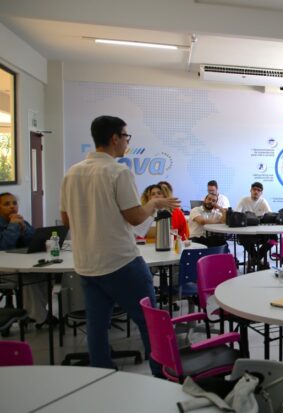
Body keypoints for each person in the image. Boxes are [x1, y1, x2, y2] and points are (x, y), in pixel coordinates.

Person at [60, 115, 179, 376]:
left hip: (87, 265)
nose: (127, 142)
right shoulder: (118, 171)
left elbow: (66, 219)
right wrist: (154, 203)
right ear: (115, 138)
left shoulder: (72, 172)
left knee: (97, 326)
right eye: (126, 136)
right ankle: (163, 376)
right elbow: (135, 217)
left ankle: (101, 374)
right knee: (150, 321)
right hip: (121, 262)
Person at [0, 192, 51, 327]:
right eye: (6, 204)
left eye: (14, 203)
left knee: (47, 274)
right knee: (29, 279)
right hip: (4, 269)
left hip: (20, 264)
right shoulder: (11, 223)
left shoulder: (20, 221)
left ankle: (36, 312)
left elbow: (34, 242)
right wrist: (13, 227)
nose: (12, 206)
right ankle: (40, 316)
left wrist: (24, 230)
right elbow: (4, 246)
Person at [236, 182, 273, 270]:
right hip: (247, 232)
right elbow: (236, 213)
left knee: (274, 239)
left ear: (261, 193)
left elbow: (270, 214)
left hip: (260, 233)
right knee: (242, 238)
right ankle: (258, 260)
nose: (256, 192)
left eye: (259, 190)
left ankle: (255, 259)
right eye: (254, 189)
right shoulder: (244, 200)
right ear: (250, 190)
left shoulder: (263, 201)